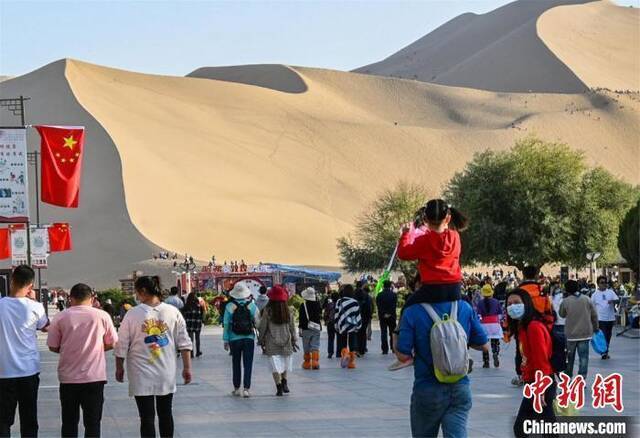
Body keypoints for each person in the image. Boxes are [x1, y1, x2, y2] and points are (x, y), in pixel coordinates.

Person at [396, 286, 488, 437]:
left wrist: (396, 334)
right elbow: (484, 345)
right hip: (460, 387)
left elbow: (403, 355)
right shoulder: (464, 307)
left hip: (427, 387)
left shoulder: (412, 311)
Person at [114, 276, 192, 438]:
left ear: (142, 291)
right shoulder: (173, 312)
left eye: (137, 292)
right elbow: (184, 343)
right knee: (166, 414)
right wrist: (187, 368)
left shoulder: (132, 314)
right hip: (166, 371)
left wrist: (119, 367)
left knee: (146, 418)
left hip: (140, 373)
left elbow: (121, 343)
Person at [47, 283, 118, 438]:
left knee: (69, 423)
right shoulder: (102, 316)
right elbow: (112, 342)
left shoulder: (61, 316)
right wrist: (97, 348)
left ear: (70, 298)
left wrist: (67, 349)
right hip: (94, 378)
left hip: (68, 379)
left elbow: (52, 346)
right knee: (93, 424)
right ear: (91, 299)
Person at [0, 265, 49, 438]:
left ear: (12, 280)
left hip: (4, 372)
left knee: (3, 421)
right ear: (30, 286)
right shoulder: (35, 307)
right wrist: (34, 301)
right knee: (29, 418)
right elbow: (45, 327)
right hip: (28, 371)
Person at [506, 288, 556, 438]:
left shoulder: (533, 327)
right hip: (535, 382)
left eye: (516, 302)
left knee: (522, 428)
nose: (512, 306)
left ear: (526, 304)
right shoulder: (523, 327)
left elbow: (541, 360)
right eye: (509, 304)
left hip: (541, 383)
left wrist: (540, 390)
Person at [257, 285, 298, 396]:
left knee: (275, 365)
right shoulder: (288, 311)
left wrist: (260, 340)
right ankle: (285, 382)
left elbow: (263, 327)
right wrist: (294, 339)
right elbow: (292, 328)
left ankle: (279, 387)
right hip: (286, 341)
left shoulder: (268, 311)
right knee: (285, 362)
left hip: (272, 342)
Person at [223, 283, 259, 397]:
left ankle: (237, 388)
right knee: (248, 364)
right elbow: (258, 322)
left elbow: (226, 324)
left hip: (234, 339)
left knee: (236, 363)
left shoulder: (229, 306)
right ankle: (246, 389)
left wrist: (226, 339)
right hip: (249, 338)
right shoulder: (252, 306)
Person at [559, 280, 598, 377]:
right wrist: (596, 327)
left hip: (571, 335)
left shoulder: (566, 301)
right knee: (583, 358)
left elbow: (562, 314)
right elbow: (594, 315)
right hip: (585, 333)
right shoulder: (587, 299)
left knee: (569, 358)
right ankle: (581, 378)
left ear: (567, 290)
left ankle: (568, 378)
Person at [591, 276, 619, 359]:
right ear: (598, 284)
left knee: (608, 335)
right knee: (602, 335)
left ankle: (605, 351)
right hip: (600, 318)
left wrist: (613, 301)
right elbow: (591, 306)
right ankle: (604, 352)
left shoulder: (610, 292)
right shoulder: (594, 294)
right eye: (601, 283)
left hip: (610, 318)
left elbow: (617, 300)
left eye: (605, 282)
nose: (604, 284)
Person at [334, 284, 362, 369]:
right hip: (352, 325)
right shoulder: (355, 302)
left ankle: (345, 355)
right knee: (352, 344)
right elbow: (357, 315)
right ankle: (351, 363)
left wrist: (336, 325)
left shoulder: (339, 301)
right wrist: (358, 326)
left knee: (343, 343)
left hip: (342, 325)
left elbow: (336, 314)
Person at [476, 284, 503, 368]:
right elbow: (500, 314)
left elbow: (478, 315)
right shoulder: (496, 301)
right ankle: (495, 353)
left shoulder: (480, 303)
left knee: (484, 343)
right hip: (495, 324)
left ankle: (486, 361)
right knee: (495, 342)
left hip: (484, 324)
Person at [298, 287, 322, 370]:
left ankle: (307, 363)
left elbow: (301, 318)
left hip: (306, 328)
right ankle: (315, 363)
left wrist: (300, 328)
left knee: (306, 346)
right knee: (315, 345)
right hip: (316, 327)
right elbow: (320, 314)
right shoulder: (317, 304)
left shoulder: (303, 305)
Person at [376, 280, 397, 355]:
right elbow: (394, 306)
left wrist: (384, 313)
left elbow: (379, 306)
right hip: (392, 316)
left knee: (383, 332)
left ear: (383, 286)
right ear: (390, 286)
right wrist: (390, 313)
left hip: (382, 316)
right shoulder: (394, 295)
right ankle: (393, 348)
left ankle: (385, 349)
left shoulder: (379, 295)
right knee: (392, 333)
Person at [182, 292, 204, 358]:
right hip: (197, 324)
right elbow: (202, 314)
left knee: (190, 339)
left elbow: (183, 314)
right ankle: (198, 352)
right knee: (197, 338)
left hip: (189, 324)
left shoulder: (186, 306)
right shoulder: (199, 306)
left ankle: (191, 353)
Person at [355, 284, 373, 356]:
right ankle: (362, 349)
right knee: (363, 333)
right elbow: (369, 309)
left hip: (357, 319)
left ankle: (357, 348)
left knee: (357, 334)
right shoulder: (367, 298)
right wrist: (369, 317)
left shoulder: (355, 300)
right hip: (365, 318)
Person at [323, 292, 339, 359]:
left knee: (330, 338)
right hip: (338, 323)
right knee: (339, 338)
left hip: (330, 323)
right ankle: (339, 352)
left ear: (331, 298)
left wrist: (325, 321)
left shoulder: (329, 305)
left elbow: (325, 314)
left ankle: (330, 352)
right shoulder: (340, 305)